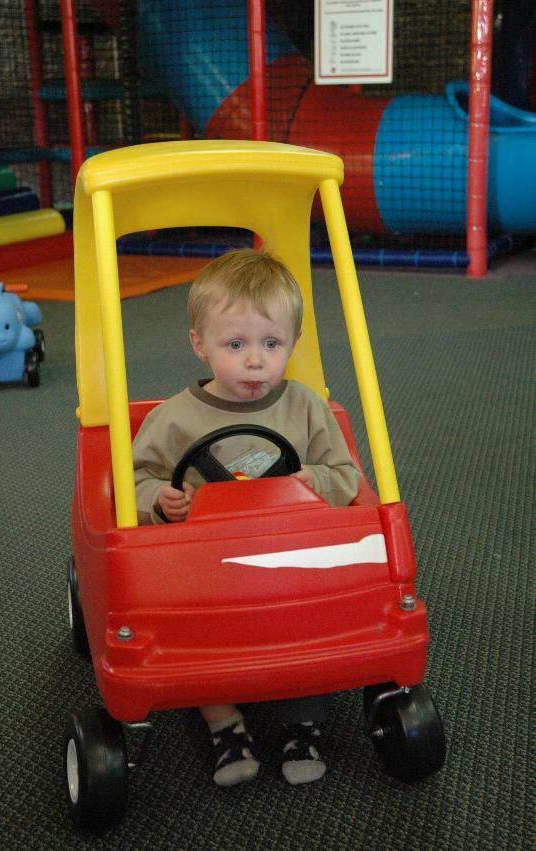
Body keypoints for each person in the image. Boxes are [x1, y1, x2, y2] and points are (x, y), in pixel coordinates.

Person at [132, 248, 360, 787]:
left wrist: (315, 482)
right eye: (235, 345)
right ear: (200, 345)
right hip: (201, 567)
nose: (254, 361)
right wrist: (159, 501)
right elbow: (135, 481)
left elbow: (345, 473)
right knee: (190, 635)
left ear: (292, 344)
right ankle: (224, 723)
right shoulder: (172, 419)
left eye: (271, 344)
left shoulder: (305, 406)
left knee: (310, 628)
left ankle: (302, 721)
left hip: (286, 559)